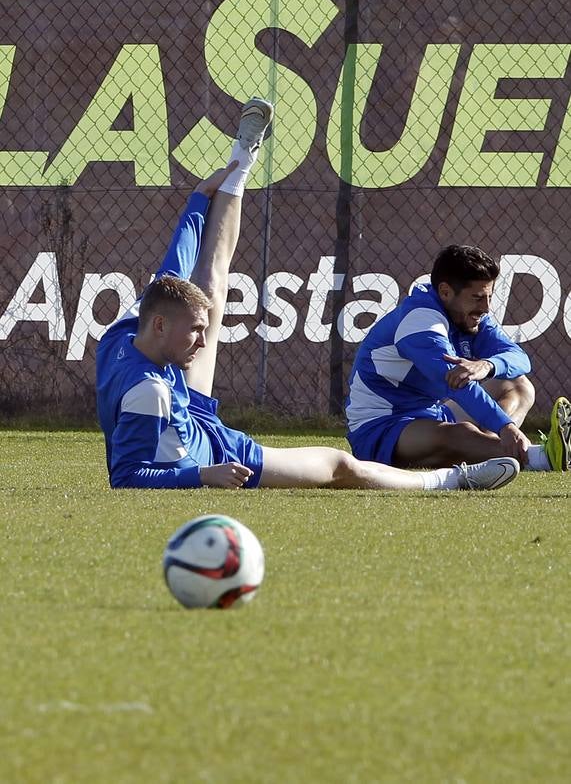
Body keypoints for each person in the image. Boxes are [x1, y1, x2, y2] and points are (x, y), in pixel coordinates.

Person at [96, 100, 520, 492]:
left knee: (211, 284)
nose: (207, 342)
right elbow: (128, 476)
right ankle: (450, 482)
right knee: (340, 466)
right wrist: (203, 475)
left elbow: (177, 260)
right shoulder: (148, 390)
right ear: (159, 324)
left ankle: (242, 160)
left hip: (197, 423)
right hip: (209, 453)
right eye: (195, 332)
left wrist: (197, 201)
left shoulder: (127, 329)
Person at [346, 243, 571, 472]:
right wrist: (506, 427)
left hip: (432, 413)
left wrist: (488, 365)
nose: (486, 307)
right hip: (381, 429)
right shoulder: (420, 323)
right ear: (445, 292)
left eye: (489, 297)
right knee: (459, 433)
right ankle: (541, 458)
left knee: (518, 385)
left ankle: (489, 451)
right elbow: (458, 387)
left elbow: (519, 358)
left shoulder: (471, 316)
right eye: (477, 298)